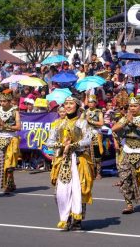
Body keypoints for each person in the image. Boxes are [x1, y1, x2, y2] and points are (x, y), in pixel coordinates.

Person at [46, 96, 93, 230]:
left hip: (79, 159)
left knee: (80, 189)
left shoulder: (82, 123)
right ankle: (65, 218)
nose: (67, 106)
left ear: (77, 107)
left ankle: (77, 219)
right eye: (66, 104)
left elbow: (88, 140)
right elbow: (49, 142)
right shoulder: (58, 124)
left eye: (71, 104)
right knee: (60, 192)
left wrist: (72, 145)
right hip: (63, 159)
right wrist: (61, 145)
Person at [112, 95, 140, 214]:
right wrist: (126, 120)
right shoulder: (125, 117)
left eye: (135, 106)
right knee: (125, 178)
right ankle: (129, 204)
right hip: (127, 149)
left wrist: (134, 121)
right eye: (131, 106)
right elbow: (114, 128)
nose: (133, 108)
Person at [0, 89, 21, 194]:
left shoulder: (15, 111)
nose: (2, 103)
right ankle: (10, 184)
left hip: (12, 139)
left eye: (4, 101)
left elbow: (18, 127)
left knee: (9, 164)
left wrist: (5, 126)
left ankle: (9, 185)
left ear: (9, 101)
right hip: (0, 139)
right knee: (3, 164)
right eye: (1, 101)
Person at [85, 95, 104, 180]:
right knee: (87, 153)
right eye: (89, 102)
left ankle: (98, 172)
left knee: (97, 154)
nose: (90, 104)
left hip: (96, 134)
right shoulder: (85, 112)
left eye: (92, 102)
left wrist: (90, 121)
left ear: (95, 103)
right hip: (87, 134)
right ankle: (90, 171)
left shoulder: (98, 112)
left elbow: (101, 123)